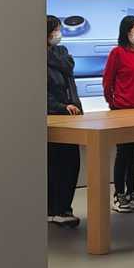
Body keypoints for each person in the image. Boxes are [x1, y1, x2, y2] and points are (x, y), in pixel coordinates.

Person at [103, 15, 134, 213]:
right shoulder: (117, 53)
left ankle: (132, 193)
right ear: (127, 31)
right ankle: (119, 194)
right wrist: (113, 103)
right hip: (122, 110)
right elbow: (108, 81)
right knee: (123, 153)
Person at [45, 16, 83, 228]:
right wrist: (61, 107)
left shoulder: (61, 53)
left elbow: (68, 66)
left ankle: (63, 208)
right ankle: (55, 209)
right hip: (53, 116)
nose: (59, 33)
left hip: (71, 116)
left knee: (71, 163)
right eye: (56, 29)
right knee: (55, 165)